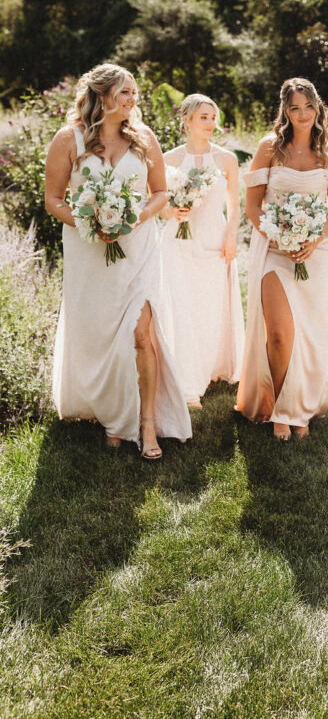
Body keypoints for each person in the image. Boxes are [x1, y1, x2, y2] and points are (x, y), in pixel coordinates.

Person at [45, 63, 191, 458]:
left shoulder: (143, 138)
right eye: (125, 92)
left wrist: (135, 218)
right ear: (103, 95)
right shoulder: (68, 139)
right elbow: (53, 199)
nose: (132, 100)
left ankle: (146, 426)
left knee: (142, 334)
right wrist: (88, 221)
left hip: (139, 248)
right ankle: (112, 416)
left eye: (134, 94)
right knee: (100, 333)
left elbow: (159, 192)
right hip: (88, 250)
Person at [236, 78, 328, 441]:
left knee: (311, 334)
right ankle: (281, 409)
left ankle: (301, 408)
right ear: (285, 110)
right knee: (280, 334)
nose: (302, 115)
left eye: (308, 107)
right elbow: (252, 204)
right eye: (294, 108)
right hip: (274, 251)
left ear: (318, 108)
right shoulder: (269, 147)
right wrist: (277, 236)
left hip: (317, 253)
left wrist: (313, 239)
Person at [159, 94, 244, 408]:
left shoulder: (226, 159)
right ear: (187, 121)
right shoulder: (167, 159)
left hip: (213, 241)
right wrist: (172, 212)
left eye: (213, 117)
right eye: (203, 117)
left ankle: (208, 368)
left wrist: (231, 236)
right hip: (177, 243)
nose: (210, 123)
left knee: (208, 308)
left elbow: (235, 207)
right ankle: (187, 385)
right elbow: (157, 206)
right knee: (180, 308)